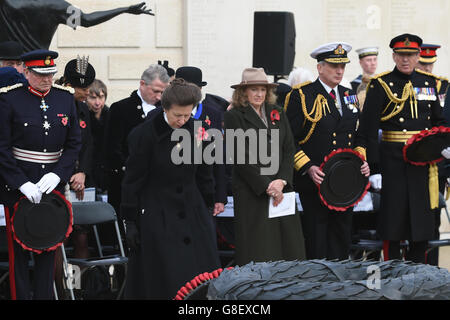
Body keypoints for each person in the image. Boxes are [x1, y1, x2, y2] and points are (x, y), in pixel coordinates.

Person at [121, 78, 220, 299]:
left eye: (187, 115)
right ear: (165, 109)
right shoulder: (144, 135)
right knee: (166, 278)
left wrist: (208, 206)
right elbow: (132, 181)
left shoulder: (196, 131)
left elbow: (205, 173)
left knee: (200, 275)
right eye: (177, 115)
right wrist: (130, 220)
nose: (182, 120)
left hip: (192, 209)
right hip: (158, 212)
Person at [355, 34, 448, 264]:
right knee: (393, 223)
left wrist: (443, 146)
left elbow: (439, 122)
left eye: (411, 55)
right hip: (392, 162)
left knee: (421, 223)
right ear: (394, 56)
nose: (406, 60)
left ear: (418, 56)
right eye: (401, 55)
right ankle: (391, 274)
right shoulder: (381, 84)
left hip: (423, 162)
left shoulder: (428, 83)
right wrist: (375, 169)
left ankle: (417, 274)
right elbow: (367, 130)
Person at [0, 49, 81, 299]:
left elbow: (74, 143)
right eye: (39, 74)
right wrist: (20, 182)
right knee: (19, 257)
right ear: (25, 71)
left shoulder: (65, 98)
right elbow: (2, 147)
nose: (47, 79)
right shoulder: (9, 99)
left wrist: (59, 174)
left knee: (49, 248)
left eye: (50, 74)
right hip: (19, 185)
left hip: (51, 185)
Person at [284, 43, 370, 260]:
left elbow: (359, 134)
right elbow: (288, 140)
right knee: (317, 236)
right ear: (320, 68)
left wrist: (361, 158)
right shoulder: (301, 96)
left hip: (345, 179)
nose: (339, 71)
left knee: (342, 235)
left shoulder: (349, 95)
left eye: (342, 66)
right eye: (333, 66)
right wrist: (307, 167)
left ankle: (341, 286)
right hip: (317, 180)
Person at [224, 67, 306, 266]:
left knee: (288, 246)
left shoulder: (277, 112)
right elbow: (239, 157)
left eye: (262, 89)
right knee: (259, 248)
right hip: (253, 190)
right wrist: (267, 186)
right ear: (243, 92)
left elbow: (289, 149)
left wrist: (281, 180)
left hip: (281, 188)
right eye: (254, 90)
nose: (259, 94)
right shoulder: (234, 116)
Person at [105, 64, 169, 235]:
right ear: (142, 84)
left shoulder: (167, 112)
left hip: (158, 186)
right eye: (155, 91)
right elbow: (113, 148)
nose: (159, 96)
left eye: (163, 92)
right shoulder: (121, 109)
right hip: (127, 183)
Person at [174, 66, 227, 215]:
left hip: (204, 189)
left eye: (195, 88)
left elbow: (218, 157)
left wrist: (220, 197)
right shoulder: (163, 113)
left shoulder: (213, 113)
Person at [0, 1, 153, 52]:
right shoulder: (58, 5)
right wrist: (124, 9)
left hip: (7, 65)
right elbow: (87, 20)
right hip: (40, 67)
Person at [416, 43, 449, 266]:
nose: (427, 69)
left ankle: (432, 268)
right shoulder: (408, 85)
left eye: (430, 65)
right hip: (416, 159)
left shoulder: (443, 85)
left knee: (434, 216)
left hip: (439, 163)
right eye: (423, 64)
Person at [86, 79, 109, 192]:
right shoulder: (82, 116)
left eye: (101, 97)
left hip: (106, 172)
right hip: (88, 171)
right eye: (93, 98)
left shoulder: (110, 115)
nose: (97, 102)